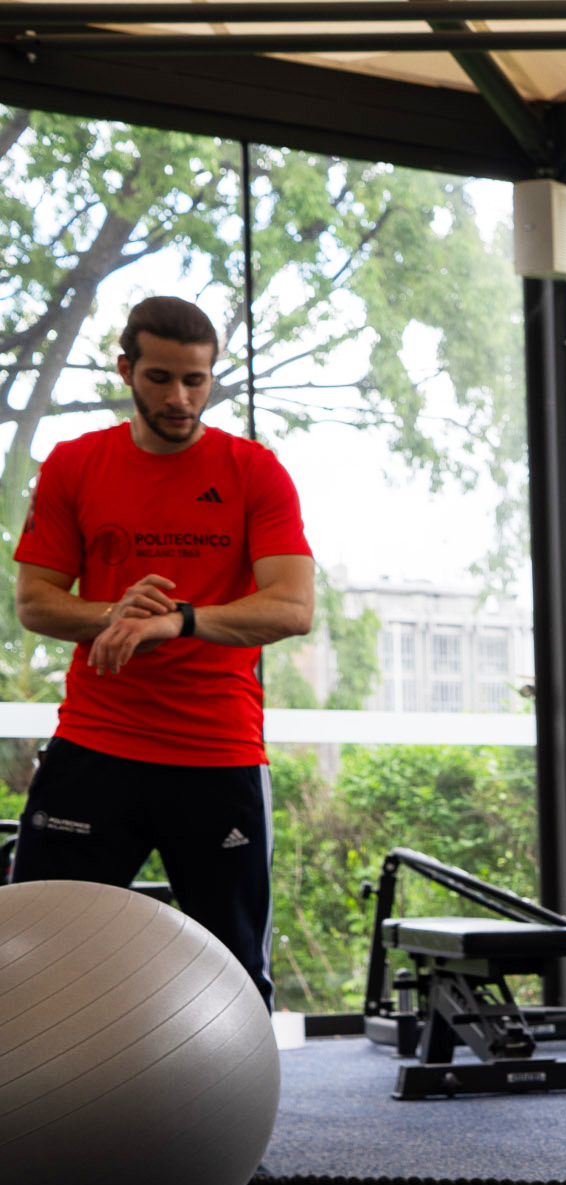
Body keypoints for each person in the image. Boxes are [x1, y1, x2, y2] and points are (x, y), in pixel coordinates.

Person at [9, 295, 315, 1003]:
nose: (179, 398)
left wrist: (177, 619)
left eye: (196, 380)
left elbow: (293, 606)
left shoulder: (253, 471)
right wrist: (113, 613)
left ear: (212, 378)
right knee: (34, 964)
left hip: (216, 752)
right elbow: (36, 601)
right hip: (96, 744)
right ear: (126, 370)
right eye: (159, 378)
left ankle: (239, 1117)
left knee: (236, 971)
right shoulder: (75, 465)